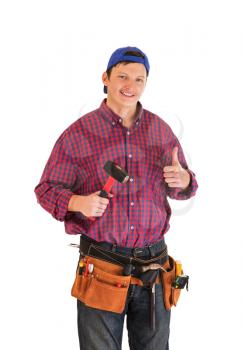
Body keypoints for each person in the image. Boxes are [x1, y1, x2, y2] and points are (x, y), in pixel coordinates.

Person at [34, 46, 198, 350]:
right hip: (102, 268)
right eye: (122, 76)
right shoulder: (79, 134)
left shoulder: (160, 131)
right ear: (105, 78)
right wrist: (77, 202)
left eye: (139, 79)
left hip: (154, 268)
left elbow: (184, 187)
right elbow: (46, 189)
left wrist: (184, 180)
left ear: (146, 83)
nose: (130, 85)